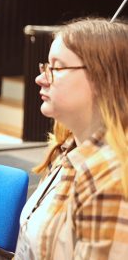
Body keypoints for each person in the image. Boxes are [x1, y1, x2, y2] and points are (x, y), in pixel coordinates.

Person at [15, 18, 128, 259]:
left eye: (56, 68)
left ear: (102, 78)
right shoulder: (70, 148)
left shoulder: (110, 179)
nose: (41, 78)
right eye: (45, 66)